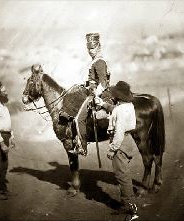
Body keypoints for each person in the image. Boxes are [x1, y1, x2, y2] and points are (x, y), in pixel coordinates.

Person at [73, 33, 110, 156]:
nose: (90, 51)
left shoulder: (99, 62)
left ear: (99, 46)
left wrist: (95, 94)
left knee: (79, 119)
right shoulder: (95, 61)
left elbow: (103, 83)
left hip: (98, 94)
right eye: (89, 48)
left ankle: (83, 147)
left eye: (93, 48)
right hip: (93, 91)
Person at [106, 81, 138, 218]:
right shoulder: (129, 106)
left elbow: (118, 132)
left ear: (118, 96)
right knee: (124, 174)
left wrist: (112, 149)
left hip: (120, 144)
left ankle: (132, 209)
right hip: (129, 141)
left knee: (122, 176)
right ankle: (126, 204)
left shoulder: (118, 110)